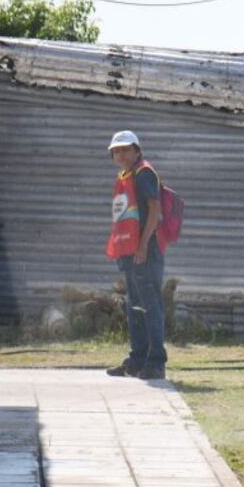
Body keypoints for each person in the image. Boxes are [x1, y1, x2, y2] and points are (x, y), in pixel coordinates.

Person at [104, 130, 168, 380]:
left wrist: (142, 246)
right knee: (135, 306)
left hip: (146, 250)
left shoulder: (144, 173)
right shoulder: (125, 175)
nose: (120, 154)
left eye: (125, 149)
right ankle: (136, 359)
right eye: (116, 151)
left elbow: (154, 210)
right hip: (130, 250)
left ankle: (156, 362)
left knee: (150, 305)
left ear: (137, 151)